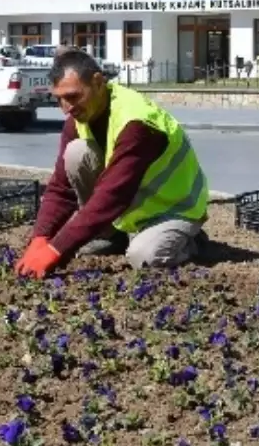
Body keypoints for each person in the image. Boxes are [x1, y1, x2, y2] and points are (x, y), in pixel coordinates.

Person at [15, 50, 209, 278]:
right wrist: (40, 237)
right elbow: (61, 188)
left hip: (172, 209)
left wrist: (56, 250)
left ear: (98, 82)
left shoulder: (136, 123)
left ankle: (191, 241)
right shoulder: (79, 119)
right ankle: (112, 236)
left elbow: (112, 196)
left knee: (145, 257)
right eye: (59, 99)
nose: (66, 107)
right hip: (130, 206)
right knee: (77, 152)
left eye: (73, 96)